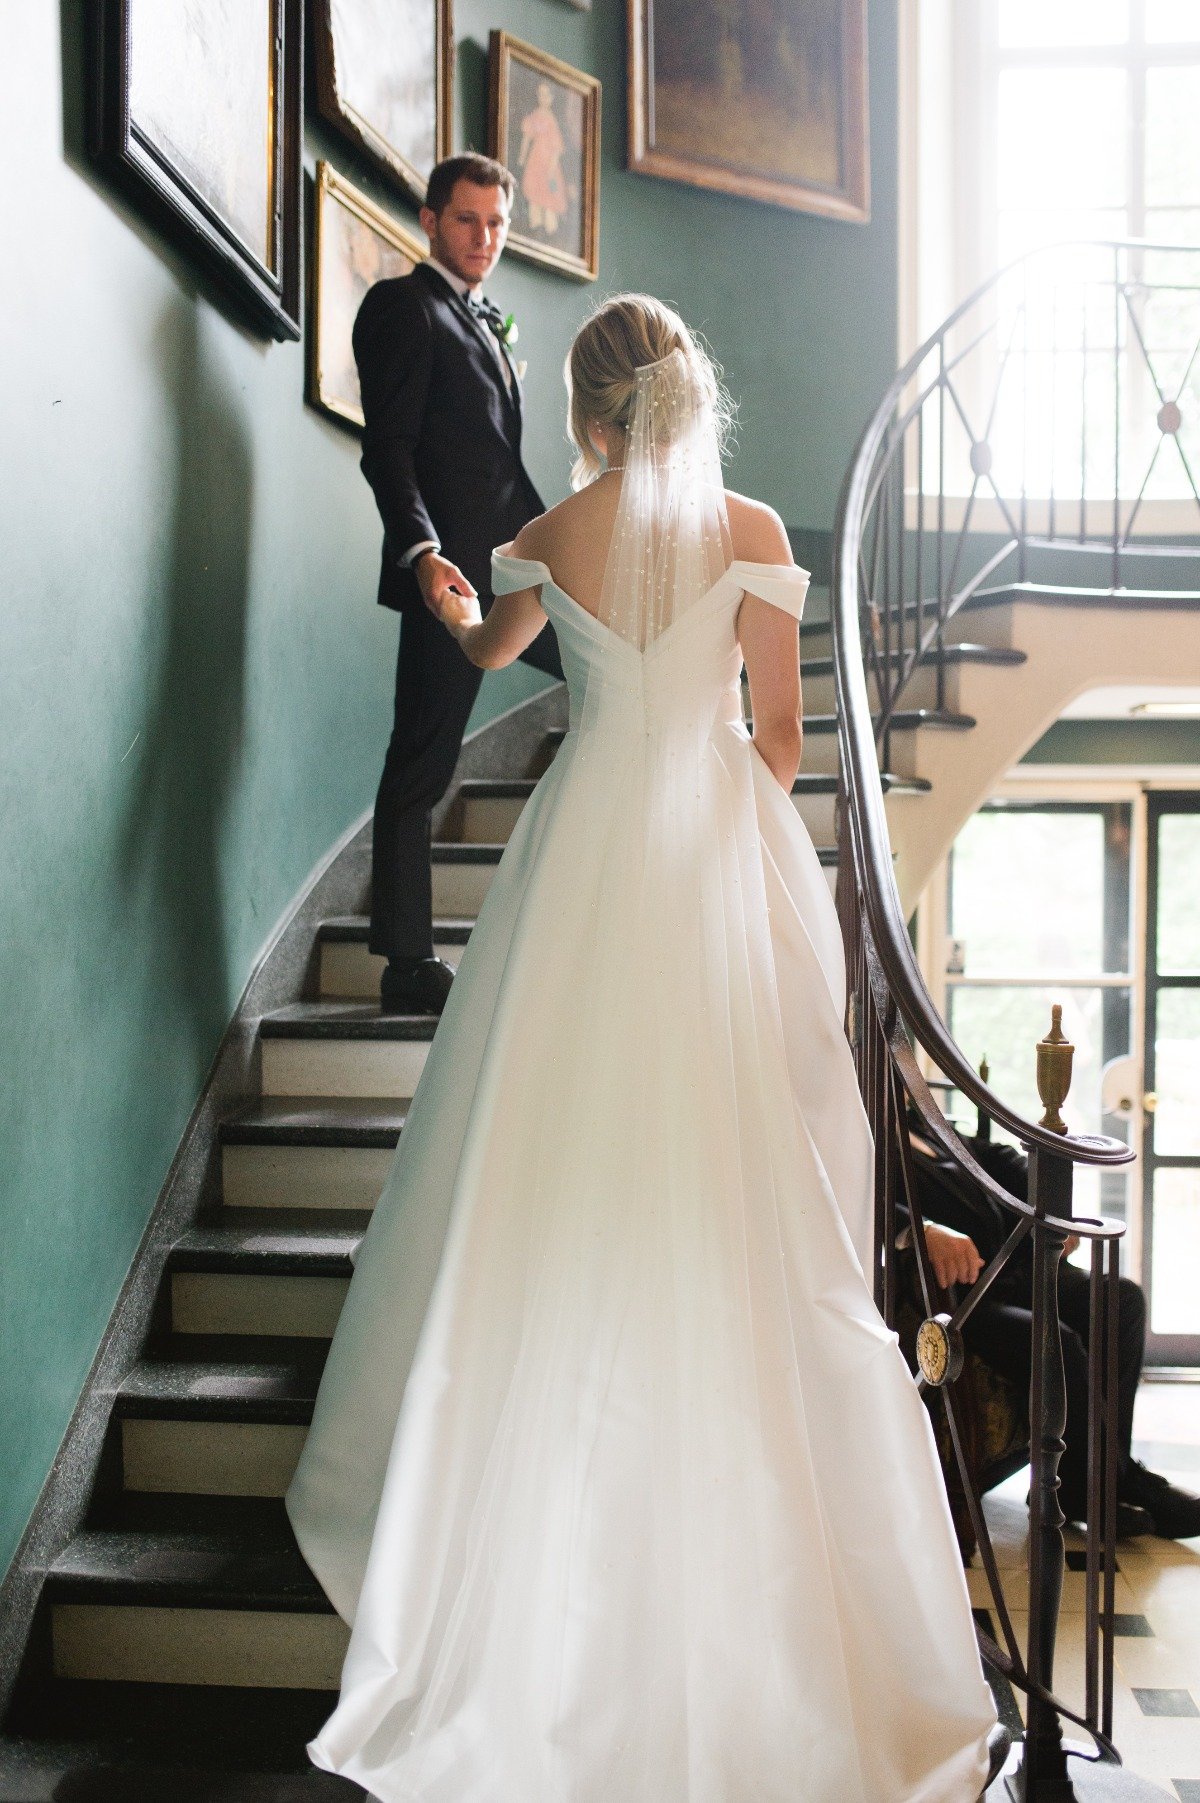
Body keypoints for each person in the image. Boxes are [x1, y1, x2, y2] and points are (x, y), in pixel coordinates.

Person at [287, 295, 1005, 1801]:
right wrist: (722, 794)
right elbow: (786, 738)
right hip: (701, 856)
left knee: (547, 1190)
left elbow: (490, 649)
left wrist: (441, 590)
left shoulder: (551, 532)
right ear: (683, 384)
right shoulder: (746, 524)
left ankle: (523, 1594)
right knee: (740, 1189)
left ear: (589, 400)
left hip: (581, 859)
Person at [352, 152, 563, 1018]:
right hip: (453, 585)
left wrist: (559, 551)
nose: (484, 238)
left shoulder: (480, 317)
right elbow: (388, 450)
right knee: (423, 758)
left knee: (613, 668)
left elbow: (499, 467)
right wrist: (421, 550)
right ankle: (406, 960)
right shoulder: (403, 307)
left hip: (521, 567)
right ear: (433, 219)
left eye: (497, 224)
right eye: (468, 220)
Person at [910, 1129, 1200, 1540]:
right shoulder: (868, 1135)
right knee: (1057, 1339)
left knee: (1121, 1300)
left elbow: (1002, 1158)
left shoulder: (927, 1125)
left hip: (1013, 1271)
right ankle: (1092, 1487)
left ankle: (1107, 1479)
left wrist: (1053, 1207)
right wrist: (921, 1228)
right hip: (956, 1298)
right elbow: (863, 1202)